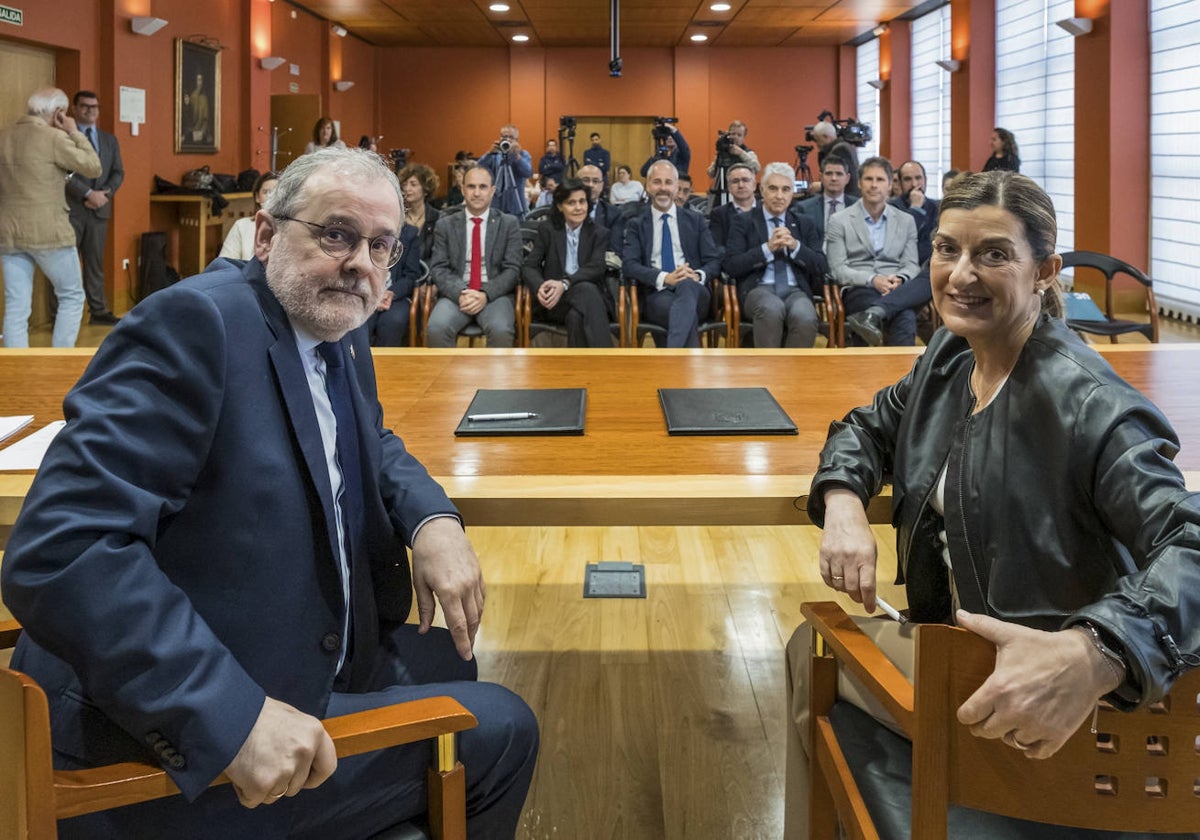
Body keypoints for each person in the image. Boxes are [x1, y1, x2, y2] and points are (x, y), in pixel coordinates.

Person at [1, 146, 538, 838]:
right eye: (336, 233)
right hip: (155, 744)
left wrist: (433, 519)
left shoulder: (330, 321)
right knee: (505, 729)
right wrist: (230, 715)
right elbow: (63, 550)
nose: (362, 264)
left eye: (382, 246)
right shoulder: (195, 327)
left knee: (453, 657)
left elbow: (368, 440)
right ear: (265, 234)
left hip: (280, 647)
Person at [784, 169, 1200, 839]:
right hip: (959, 650)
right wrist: (842, 502)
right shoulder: (952, 352)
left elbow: (1191, 546)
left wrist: (1097, 650)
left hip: (1041, 692)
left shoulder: (1091, 405)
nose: (961, 274)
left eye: (994, 254)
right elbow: (871, 425)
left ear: (1046, 270)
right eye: (947, 249)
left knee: (813, 647)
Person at [0, 86, 100, 348]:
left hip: (9, 232)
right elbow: (93, 166)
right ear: (58, 113)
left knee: (16, 306)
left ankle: (16, 369)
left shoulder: (4, 136)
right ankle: (60, 359)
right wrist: (74, 131)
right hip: (50, 232)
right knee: (71, 296)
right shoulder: (54, 138)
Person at [723, 162, 826, 348]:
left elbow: (821, 265)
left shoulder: (804, 223)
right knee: (771, 308)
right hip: (758, 289)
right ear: (762, 190)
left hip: (796, 290)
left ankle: (793, 374)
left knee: (806, 316)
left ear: (792, 194)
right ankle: (769, 374)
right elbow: (731, 265)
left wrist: (795, 247)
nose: (779, 196)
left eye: (785, 189)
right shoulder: (743, 221)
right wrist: (767, 249)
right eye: (773, 189)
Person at [622, 160, 721, 348]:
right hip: (657, 294)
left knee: (687, 285)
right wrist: (665, 278)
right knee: (682, 313)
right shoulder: (637, 224)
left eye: (668, 183)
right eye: (657, 182)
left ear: (676, 187)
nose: (663, 188)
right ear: (648, 186)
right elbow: (630, 265)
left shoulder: (696, 221)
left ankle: (670, 357)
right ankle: (688, 366)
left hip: (697, 293)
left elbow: (713, 261)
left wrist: (697, 275)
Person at [825, 157, 922, 346]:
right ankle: (863, 373)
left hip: (896, 288)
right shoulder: (839, 220)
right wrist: (873, 280)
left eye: (880, 180)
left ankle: (903, 374)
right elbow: (837, 269)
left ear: (890, 185)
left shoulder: (906, 221)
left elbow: (911, 264)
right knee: (864, 314)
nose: (874, 185)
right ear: (860, 183)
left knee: (906, 319)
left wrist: (899, 279)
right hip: (859, 287)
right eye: (869, 179)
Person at [426, 165, 522, 347]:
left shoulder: (508, 223)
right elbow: (439, 267)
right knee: (436, 328)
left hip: (494, 295)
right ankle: (446, 376)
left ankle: (496, 377)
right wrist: (461, 292)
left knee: (501, 330)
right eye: (471, 187)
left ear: (493, 191)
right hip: (457, 294)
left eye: (483, 187)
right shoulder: (445, 224)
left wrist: (485, 294)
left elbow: (513, 269)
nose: (477, 193)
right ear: (462, 189)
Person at [520, 178, 613, 347]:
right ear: (559, 206)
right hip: (556, 301)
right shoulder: (548, 230)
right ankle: (607, 362)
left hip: (588, 298)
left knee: (576, 316)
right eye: (571, 203)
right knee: (586, 292)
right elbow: (529, 266)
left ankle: (578, 370)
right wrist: (541, 286)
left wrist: (564, 283)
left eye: (582, 201)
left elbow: (597, 267)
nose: (578, 207)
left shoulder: (599, 233)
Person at [66, 89, 124, 325]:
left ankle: (98, 311)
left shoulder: (109, 139)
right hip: (72, 209)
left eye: (95, 107)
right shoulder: (64, 138)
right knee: (66, 264)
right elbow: (65, 173)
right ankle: (59, 313)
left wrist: (104, 194)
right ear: (75, 109)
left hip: (100, 208)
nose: (91, 111)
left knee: (95, 262)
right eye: (85, 106)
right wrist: (87, 193)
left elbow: (118, 172)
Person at [365, 222, 422, 347]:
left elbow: (411, 275)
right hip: (365, 292)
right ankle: (361, 365)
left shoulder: (410, 233)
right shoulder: (364, 228)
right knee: (363, 322)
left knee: (393, 321)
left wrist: (390, 293)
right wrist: (373, 294)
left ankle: (386, 365)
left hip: (395, 295)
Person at [218, 170, 278, 260]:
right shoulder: (241, 226)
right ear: (257, 197)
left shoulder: (294, 227)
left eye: (276, 192)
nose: (271, 197)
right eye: (266, 192)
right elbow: (225, 264)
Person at [478, 123, 533, 220]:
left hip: (516, 204)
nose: (507, 140)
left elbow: (528, 173)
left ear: (517, 140)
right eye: (504, 137)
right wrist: (489, 153)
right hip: (496, 205)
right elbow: (477, 169)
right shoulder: (495, 155)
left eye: (511, 137)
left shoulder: (523, 154)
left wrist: (517, 156)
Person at [889, 160, 939, 265]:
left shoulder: (937, 207)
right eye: (907, 179)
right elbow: (900, 241)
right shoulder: (891, 207)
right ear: (900, 183)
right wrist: (916, 208)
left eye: (918, 178)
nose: (914, 184)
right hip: (901, 267)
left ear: (925, 180)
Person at [795, 157, 851, 245]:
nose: (833, 178)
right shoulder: (804, 208)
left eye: (839, 174)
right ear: (821, 177)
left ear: (847, 178)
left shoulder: (858, 205)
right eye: (829, 174)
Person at [397, 162, 441, 261]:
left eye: (413, 184)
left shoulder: (438, 218)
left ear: (426, 189)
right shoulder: (397, 218)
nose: (407, 189)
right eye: (404, 184)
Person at [708, 163, 757, 248]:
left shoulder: (767, 209)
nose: (741, 185)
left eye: (745, 180)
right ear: (729, 188)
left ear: (754, 185)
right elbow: (717, 247)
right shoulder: (718, 214)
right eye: (735, 181)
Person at [811, 121, 860, 197]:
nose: (817, 144)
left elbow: (839, 178)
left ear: (825, 137)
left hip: (845, 197)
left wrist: (820, 186)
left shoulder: (840, 150)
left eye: (817, 140)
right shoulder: (845, 146)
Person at [184, 73, 211, 145]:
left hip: (201, 133)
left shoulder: (205, 98)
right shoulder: (192, 96)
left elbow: (206, 119)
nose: (200, 83)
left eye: (201, 80)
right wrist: (187, 105)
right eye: (198, 80)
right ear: (195, 81)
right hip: (192, 131)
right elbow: (189, 117)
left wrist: (202, 132)